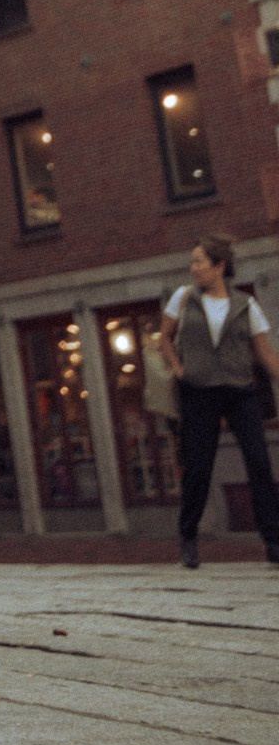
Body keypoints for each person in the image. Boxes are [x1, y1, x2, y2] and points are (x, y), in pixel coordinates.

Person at [157, 236, 279, 568]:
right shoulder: (183, 298)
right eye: (192, 262)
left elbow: (265, 352)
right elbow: (165, 336)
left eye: (199, 261)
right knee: (198, 468)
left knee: (259, 463)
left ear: (219, 266)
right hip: (199, 394)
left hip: (240, 392)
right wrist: (178, 368)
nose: (193, 268)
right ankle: (189, 536)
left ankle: (273, 540)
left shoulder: (245, 304)